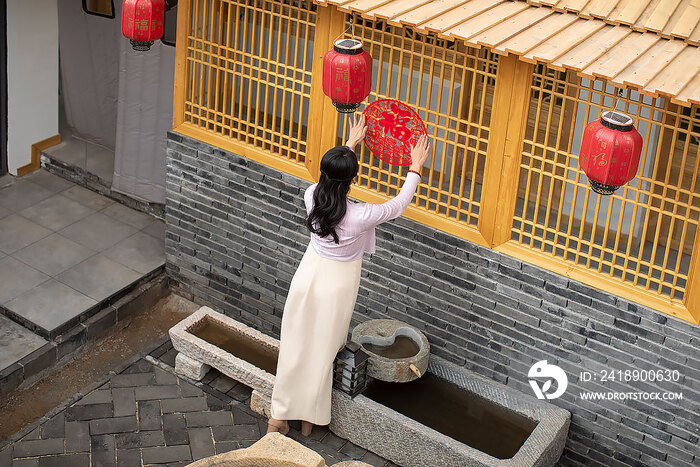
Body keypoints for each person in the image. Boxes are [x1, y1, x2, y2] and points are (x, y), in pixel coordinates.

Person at [267, 113, 432, 436]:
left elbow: (333, 176)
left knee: (295, 346)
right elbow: (399, 205)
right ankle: (309, 420)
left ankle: (279, 417)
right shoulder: (360, 215)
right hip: (338, 284)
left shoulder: (312, 194)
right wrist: (415, 166)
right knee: (323, 350)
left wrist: (350, 144)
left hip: (307, 274)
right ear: (353, 178)